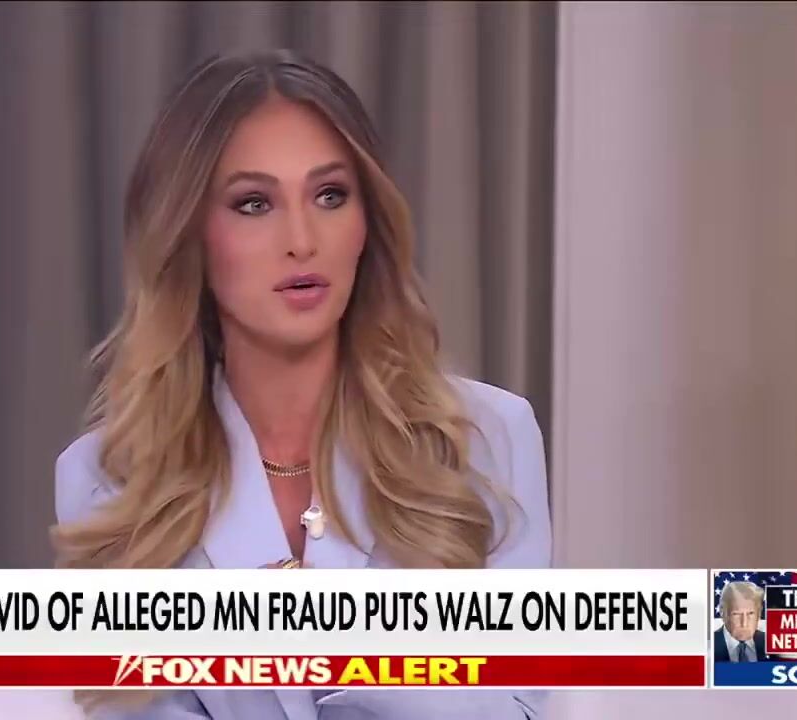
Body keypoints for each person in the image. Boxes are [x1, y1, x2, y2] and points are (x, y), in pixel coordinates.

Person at [50, 49, 552, 719]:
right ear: (190, 234)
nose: (302, 239)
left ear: (367, 223)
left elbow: (517, 708)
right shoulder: (105, 482)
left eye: (330, 195)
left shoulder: (487, 439)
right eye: (254, 203)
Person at [713, 581, 768, 663]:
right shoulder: (709, 645)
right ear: (722, 612)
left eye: (750, 613)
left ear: (759, 613)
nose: (744, 623)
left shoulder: (771, 643)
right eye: (736, 614)